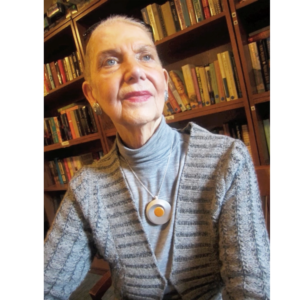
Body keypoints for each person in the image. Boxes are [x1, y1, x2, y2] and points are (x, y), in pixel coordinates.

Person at [44, 15, 270, 300]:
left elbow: (253, 289)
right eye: (111, 61)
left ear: (163, 81)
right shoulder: (87, 188)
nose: (135, 71)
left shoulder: (227, 159)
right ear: (92, 95)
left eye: (146, 56)